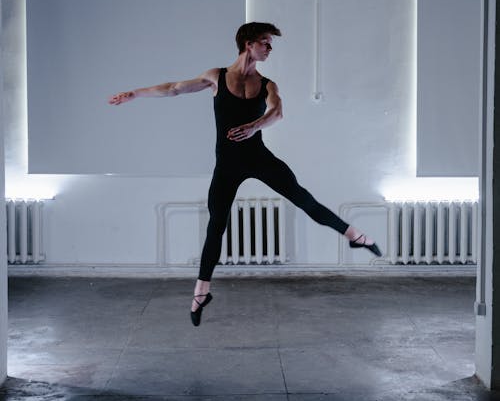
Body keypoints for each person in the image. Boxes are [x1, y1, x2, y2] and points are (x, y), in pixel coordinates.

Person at [108, 22, 382, 326]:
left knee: (303, 199)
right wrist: (135, 93)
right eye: (265, 42)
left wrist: (254, 126)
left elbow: (277, 112)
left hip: (258, 157)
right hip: (227, 164)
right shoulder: (217, 77)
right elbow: (173, 88)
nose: (269, 48)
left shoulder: (267, 84)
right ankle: (201, 292)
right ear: (248, 43)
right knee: (217, 225)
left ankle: (357, 236)